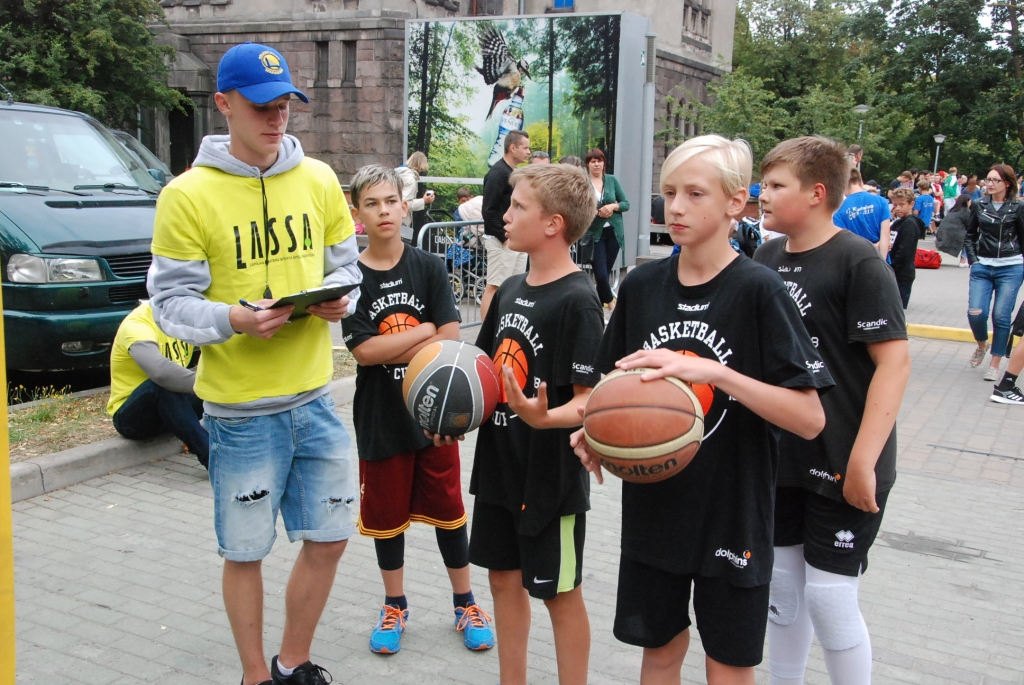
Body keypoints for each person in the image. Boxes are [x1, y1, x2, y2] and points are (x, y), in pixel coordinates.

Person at [572, 135, 831, 685]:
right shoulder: (642, 285)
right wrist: (596, 431)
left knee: (729, 665)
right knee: (659, 651)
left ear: (736, 202)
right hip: (656, 510)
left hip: (733, 511)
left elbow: (809, 418)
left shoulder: (760, 291)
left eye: (695, 193)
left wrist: (716, 374)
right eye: (669, 193)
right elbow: (613, 388)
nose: (678, 207)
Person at [147, 42, 362, 685]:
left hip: (316, 398)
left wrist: (339, 298)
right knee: (245, 552)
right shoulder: (185, 196)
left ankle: (291, 662)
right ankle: (253, 676)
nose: (277, 118)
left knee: (330, 537)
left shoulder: (320, 179)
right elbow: (168, 305)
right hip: (240, 412)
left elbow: (346, 265)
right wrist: (233, 320)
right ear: (223, 104)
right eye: (261, 106)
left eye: (286, 105)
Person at [753, 135, 911, 685]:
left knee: (831, 598)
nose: (761, 195)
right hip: (784, 455)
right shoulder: (766, 256)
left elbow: (894, 365)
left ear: (818, 193)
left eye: (775, 185)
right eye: (762, 183)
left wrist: (864, 459)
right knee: (784, 591)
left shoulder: (859, 263)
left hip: (845, 458)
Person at [340, 165, 495, 655]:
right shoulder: (350, 277)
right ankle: (395, 606)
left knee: (450, 512)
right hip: (380, 417)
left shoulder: (428, 266)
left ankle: (466, 603)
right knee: (386, 518)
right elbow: (363, 353)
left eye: (391, 200)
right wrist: (424, 332)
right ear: (357, 213)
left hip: (435, 414)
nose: (384, 210)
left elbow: (450, 339)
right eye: (373, 203)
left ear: (405, 207)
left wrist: (419, 338)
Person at [458, 163, 603, 685]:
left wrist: (543, 418)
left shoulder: (578, 300)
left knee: (559, 595)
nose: (505, 214)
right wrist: (449, 413)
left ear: (553, 225)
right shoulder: (512, 286)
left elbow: (588, 403)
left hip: (549, 478)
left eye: (518, 206)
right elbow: (483, 375)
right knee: (503, 580)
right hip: (499, 466)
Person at [107, 301, 208, 468]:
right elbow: (160, 372)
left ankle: (242, 447)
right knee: (163, 385)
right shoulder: (137, 324)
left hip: (171, 408)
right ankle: (213, 459)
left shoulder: (183, 318)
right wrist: (208, 385)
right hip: (132, 418)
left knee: (224, 382)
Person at [965, 164, 1024, 380]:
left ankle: (996, 362)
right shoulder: (979, 205)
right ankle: (982, 344)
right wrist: (974, 260)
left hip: (1012, 266)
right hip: (983, 264)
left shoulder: (1018, 207)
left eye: (994, 180)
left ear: (1006, 183)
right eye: (987, 179)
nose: (989, 184)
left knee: (1001, 315)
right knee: (976, 312)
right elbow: (970, 235)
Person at [480, 129, 531, 319]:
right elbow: (489, 210)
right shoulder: (497, 173)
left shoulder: (512, 172)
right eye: (525, 148)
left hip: (513, 240)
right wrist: (503, 237)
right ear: (512, 147)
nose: (528, 152)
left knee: (513, 285)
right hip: (501, 240)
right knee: (494, 286)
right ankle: (486, 331)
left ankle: (504, 325)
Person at [583, 148, 630, 310]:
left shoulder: (611, 180)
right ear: (588, 164)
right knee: (601, 275)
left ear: (604, 163)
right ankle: (612, 305)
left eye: (600, 161)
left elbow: (626, 204)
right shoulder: (583, 182)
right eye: (593, 161)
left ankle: (594, 307)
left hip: (614, 233)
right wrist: (597, 212)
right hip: (595, 234)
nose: (597, 165)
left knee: (605, 273)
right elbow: (578, 207)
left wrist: (612, 206)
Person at [833, 168, 891, 259]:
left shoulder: (839, 210)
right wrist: (883, 261)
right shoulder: (881, 201)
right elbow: (885, 234)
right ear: (861, 182)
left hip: (857, 258)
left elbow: (843, 241)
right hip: (879, 257)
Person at [889, 188, 926, 307]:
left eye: (902, 204)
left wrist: (891, 267)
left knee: (897, 308)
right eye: (895, 204)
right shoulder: (899, 222)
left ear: (911, 204)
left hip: (901, 273)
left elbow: (904, 251)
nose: (898, 208)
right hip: (897, 271)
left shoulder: (909, 223)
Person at [396, 151, 434, 244]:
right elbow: (404, 204)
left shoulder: (397, 174)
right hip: (401, 221)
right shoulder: (410, 179)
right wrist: (424, 201)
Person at [937, 193, 973, 268]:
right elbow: (969, 226)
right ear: (967, 201)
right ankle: (963, 260)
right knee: (970, 238)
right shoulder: (965, 211)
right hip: (954, 234)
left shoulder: (953, 210)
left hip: (942, 234)